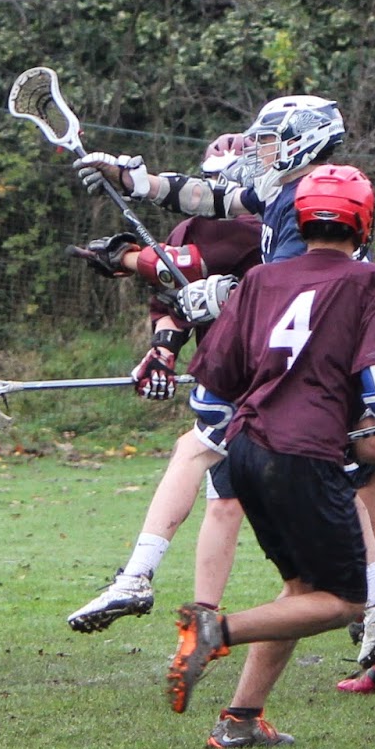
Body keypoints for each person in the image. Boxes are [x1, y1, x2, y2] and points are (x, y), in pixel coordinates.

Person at [75, 97, 375, 692]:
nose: (258, 153)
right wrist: (133, 181)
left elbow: (305, 293)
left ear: (304, 142)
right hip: (344, 340)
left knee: (351, 467)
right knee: (365, 485)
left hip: (348, 343)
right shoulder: (286, 191)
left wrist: (221, 295)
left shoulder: (311, 201)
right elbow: (212, 198)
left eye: (269, 142)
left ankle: (164, 590)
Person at [165, 164, 375, 747]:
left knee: (301, 591)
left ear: (299, 220)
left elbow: (208, 398)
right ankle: (213, 631)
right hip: (303, 456)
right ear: (364, 224)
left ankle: (240, 721)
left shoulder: (260, 280)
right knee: (348, 601)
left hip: (244, 453)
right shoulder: (372, 282)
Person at [63, 135, 262, 634]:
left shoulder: (258, 225)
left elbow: (190, 265)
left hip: (265, 374)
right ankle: (203, 620)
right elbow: (173, 299)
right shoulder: (186, 228)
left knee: (197, 455)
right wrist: (163, 351)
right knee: (224, 501)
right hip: (228, 372)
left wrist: (127, 257)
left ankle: (136, 577)